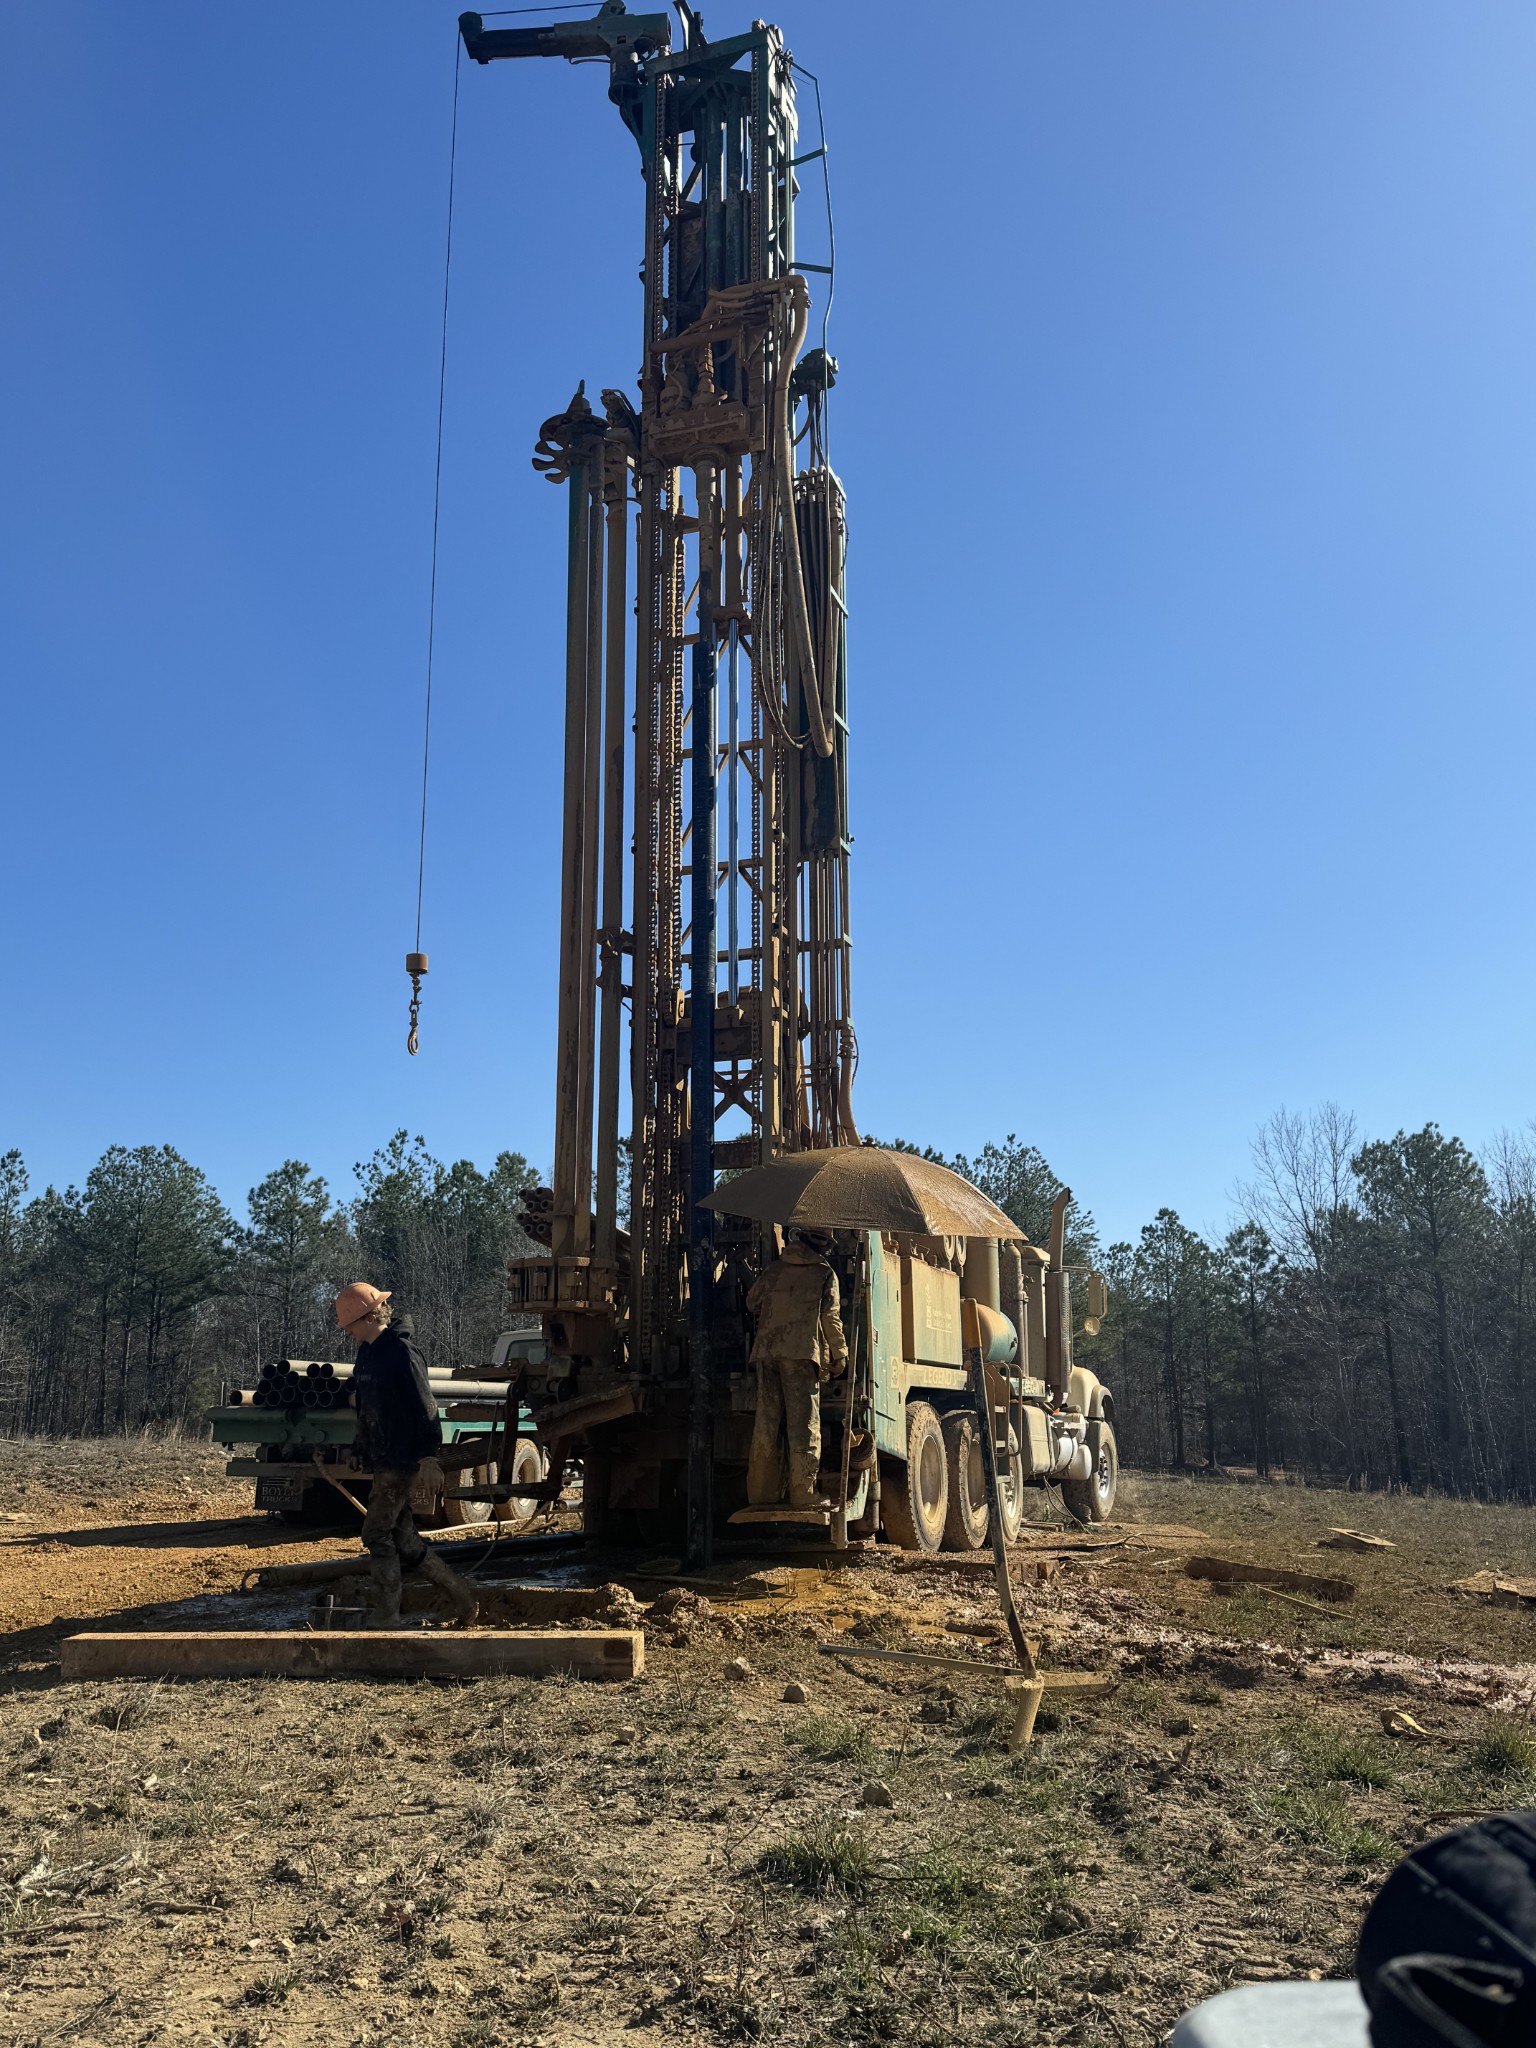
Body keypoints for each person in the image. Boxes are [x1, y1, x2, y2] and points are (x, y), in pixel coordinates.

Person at [334, 1283, 478, 1627]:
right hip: (381, 1456)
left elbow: (425, 1407)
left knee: (376, 1534)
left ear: (367, 1317)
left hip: (401, 1459)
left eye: (350, 1324)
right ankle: (463, 1598)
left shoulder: (402, 1352)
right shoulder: (367, 1354)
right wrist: (359, 1447)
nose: (348, 1332)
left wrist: (429, 1457)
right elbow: (369, 1406)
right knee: (404, 1539)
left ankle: (386, 1615)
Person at [745, 1228, 849, 1509]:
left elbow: (751, 1302)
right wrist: (840, 1354)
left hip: (766, 1352)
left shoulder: (774, 1269)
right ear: (824, 1244)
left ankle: (761, 1493)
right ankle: (804, 1494)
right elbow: (831, 1318)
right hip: (802, 1354)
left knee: (766, 1422)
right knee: (803, 1424)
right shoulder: (824, 1273)